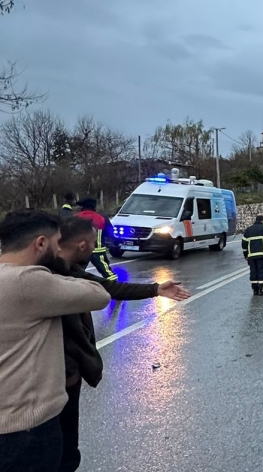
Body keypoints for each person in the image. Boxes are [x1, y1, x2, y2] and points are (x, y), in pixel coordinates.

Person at [50, 216, 191, 472]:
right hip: (59, 374)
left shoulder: (68, 270)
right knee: (61, 446)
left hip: (66, 373)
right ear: (82, 245)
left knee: (65, 444)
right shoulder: (51, 275)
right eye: (93, 243)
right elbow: (103, 291)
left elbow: (109, 287)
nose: (95, 248)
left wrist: (155, 289)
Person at [0, 210, 111, 472]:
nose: (60, 248)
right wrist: (60, 264)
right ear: (40, 243)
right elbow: (99, 295)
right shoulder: (30, 282)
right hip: (27, 427)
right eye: (57, 243)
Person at [74, 197, 117, 282]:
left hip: (80, 250)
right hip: (98, 251)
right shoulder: (102, 217)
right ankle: (117, 288)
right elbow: (110, 233)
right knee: (108, 273)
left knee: (76, 272)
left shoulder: (76, 217)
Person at [242, 216, 263, 296]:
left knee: (254, 272)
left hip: (251, 256)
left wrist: (246, 255)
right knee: (262, 271)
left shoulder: (248, 230)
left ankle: (255, 289)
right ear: (262, 221)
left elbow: (244, 244)